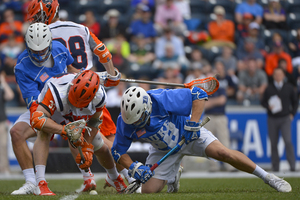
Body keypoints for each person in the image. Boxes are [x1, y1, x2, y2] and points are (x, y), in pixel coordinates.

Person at [25, 0, 130, 193]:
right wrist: (112, 74)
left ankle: (123, 174)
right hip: (90, 87)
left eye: (38, 16)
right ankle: (125, 175)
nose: (36, 21)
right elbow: (103, 52)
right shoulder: (81, 28)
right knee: (96, 136)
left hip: (65, 88)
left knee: (83, 133)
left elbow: (50, 66)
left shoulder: (43, 33)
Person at [111, 86, 292, 193]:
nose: (137, 124)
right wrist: (134, 167)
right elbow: (118, 151)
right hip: (163, 149)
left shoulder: (162, 99)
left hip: (188, 134)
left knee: (222, 152)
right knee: (149, 191)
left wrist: (193, 124)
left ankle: (268, 177)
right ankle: (173, 174)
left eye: (140, 119)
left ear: (148, 107)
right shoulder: (126, 121)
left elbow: (198, 95)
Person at [30, 70, 126, 195]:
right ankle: (40, 183)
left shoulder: (99, 96)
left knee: (98, 142)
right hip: (55, 111)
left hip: (78, 113)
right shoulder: (57, 91)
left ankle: (114, 177)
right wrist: (64, 130)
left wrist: (87, 148)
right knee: (43, 132)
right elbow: (37, 119)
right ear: (72, 86)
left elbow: (95, 122)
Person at [10, 23, 79, 195]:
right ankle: (32, 182)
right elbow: (35, 108)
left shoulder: (60, 48)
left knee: (99, 133)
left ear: (49, 43)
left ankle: (120, 175)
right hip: (43, 106)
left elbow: (72, 69)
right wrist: (57, 127)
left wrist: (88, 77)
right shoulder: (22, 66)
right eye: (35, 51)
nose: (40, 54)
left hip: (69, 103)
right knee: (16, 132)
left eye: (43, 50)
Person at [261, 67, 298, 172]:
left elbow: (295, 102)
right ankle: (275, 166)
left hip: (285, 117)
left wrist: (292, 114)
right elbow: (263, 102)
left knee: (288, 141)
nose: (278, 76)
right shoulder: (269, 88)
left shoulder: (289, 87)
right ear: (273, 76)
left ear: (283, 76)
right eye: (276, 74)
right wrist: (268, 106)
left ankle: (292, 166)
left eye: (280, 74)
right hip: (272, 118)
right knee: (273, 143)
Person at [0, 73, 14, 174]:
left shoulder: (1, 88)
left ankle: (4, 169)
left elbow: (10, 96)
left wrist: (3, 81)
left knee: (3, 146)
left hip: (1, 122)